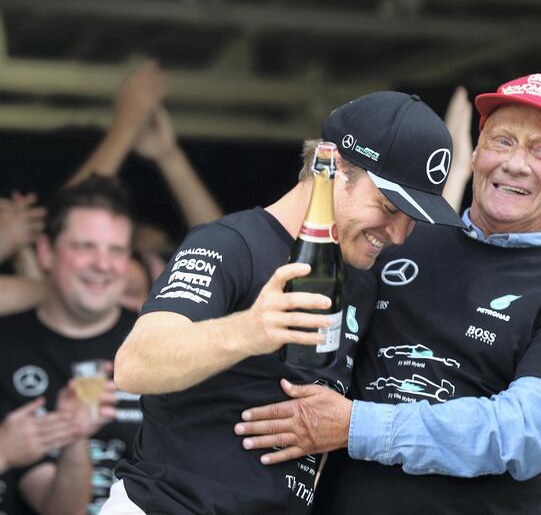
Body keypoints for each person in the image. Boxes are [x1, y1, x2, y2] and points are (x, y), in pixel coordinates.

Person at [235, 73, 541, 515]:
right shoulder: (395, 236)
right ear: (475, 153)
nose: (516, 163)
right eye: (502, 141)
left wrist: (355, 426)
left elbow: (534, 429)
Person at [105, 91, 462, 515]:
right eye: (388, 207)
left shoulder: (363, 274)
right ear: (329, 168)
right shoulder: (230, 243)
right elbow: (134, 364)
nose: (398, 235)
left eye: (413, 217)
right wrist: (249, 330)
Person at [0, 175, 142, 514]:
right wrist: (75, 436)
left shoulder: (158, 338)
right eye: (85, 247)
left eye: (116, 250)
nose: (102, 264)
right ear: (46, 253)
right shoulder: (5, 349)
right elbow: (58, 510)